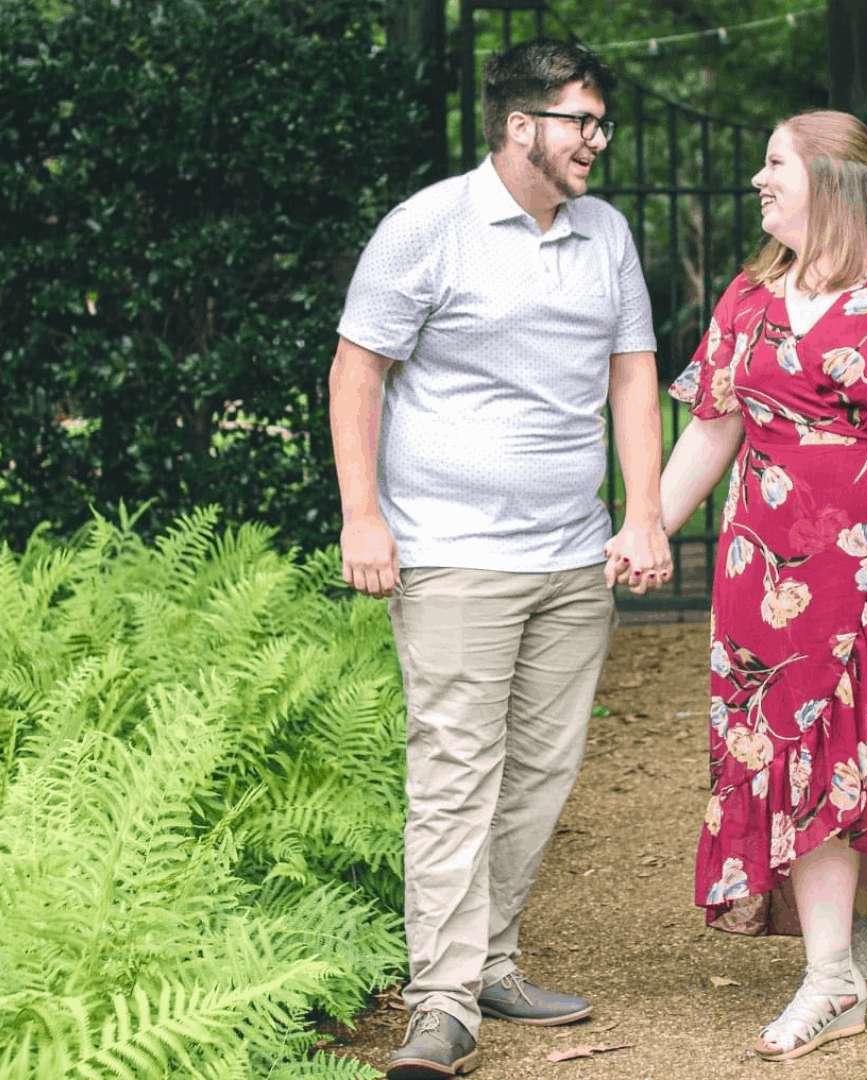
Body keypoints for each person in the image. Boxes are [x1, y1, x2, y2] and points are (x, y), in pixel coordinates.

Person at [631, 109, 867, 1062]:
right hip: (769, 561)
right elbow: (714, 427)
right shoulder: (753, 292)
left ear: (833, 178)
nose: (758, 181)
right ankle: (842, 965)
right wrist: (646, 528)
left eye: (775, 165)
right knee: (802, 741)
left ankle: (843, 963)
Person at [328, 38, 672, 1080]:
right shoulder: (427, 227)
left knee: (538, 773)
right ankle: (440, 1002)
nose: (599, 142)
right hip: (451, 555)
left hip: (571, 558)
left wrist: (645, 512)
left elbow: (633, 377)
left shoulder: (604, 233)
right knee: (454, 774)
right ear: (521, 126)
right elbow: (357, 372)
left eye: (602, 124)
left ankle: (491, 959)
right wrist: (362, 516)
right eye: (584, 123)